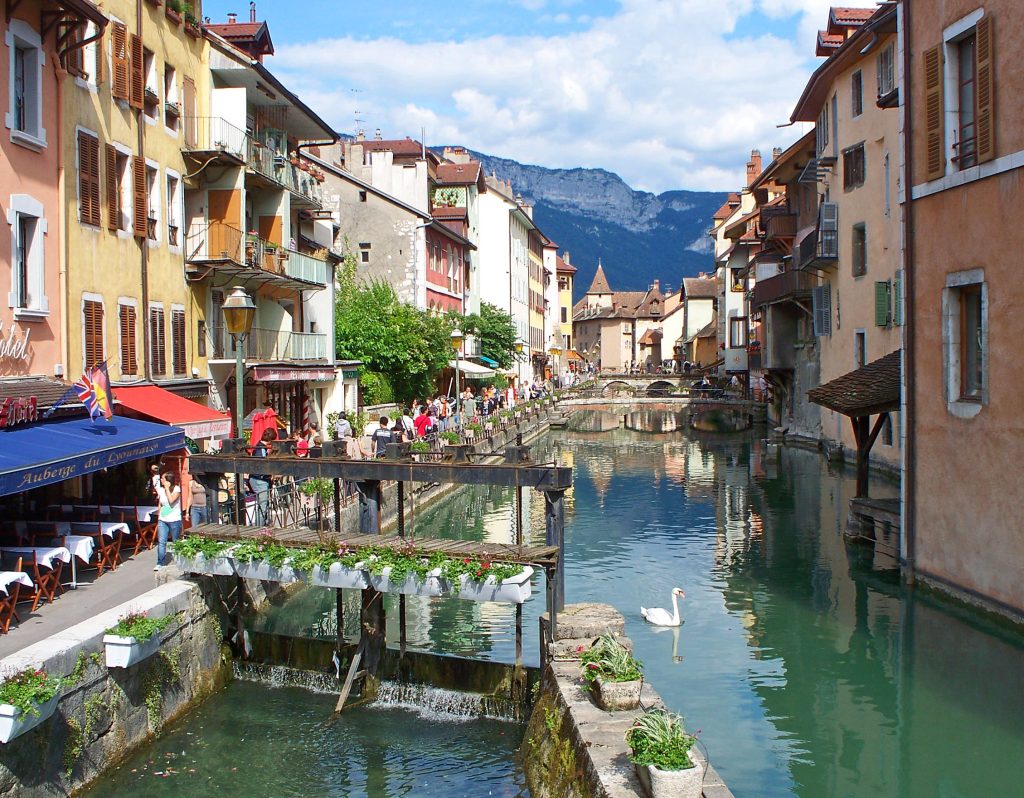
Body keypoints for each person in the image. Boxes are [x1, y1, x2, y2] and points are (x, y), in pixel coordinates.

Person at [154, 471, 182, 570]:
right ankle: (160, 563)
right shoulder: (161, 490)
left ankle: (179, 561)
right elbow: (160, 503)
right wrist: (159, 515)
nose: (161, 480)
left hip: (174, 519)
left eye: (163, 479)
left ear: (168, 481)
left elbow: (171, 501)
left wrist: (167, 489)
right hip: (163, 519)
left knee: (175, 541)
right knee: (161, 542)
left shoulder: (177, 489)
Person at [248, 428, 275, 525]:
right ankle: (259, 529)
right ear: (270, 440)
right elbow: (261, 466)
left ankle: (262, 524)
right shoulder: (260, 450)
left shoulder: (260, 448)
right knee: (262, 506)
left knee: (262, 505)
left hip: (258, 479)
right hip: (259, 479)